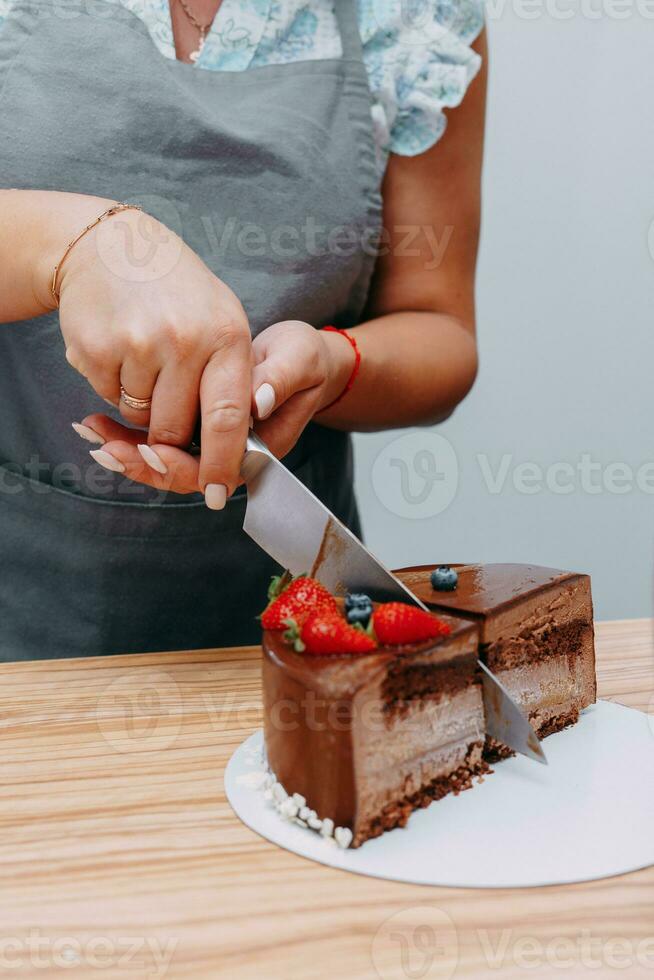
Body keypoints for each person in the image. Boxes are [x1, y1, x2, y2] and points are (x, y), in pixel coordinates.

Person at [0, 0, 487, 660]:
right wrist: (74, 245)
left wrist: (333, 364)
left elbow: (440, 328)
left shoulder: (415, 17)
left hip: (282, 622)